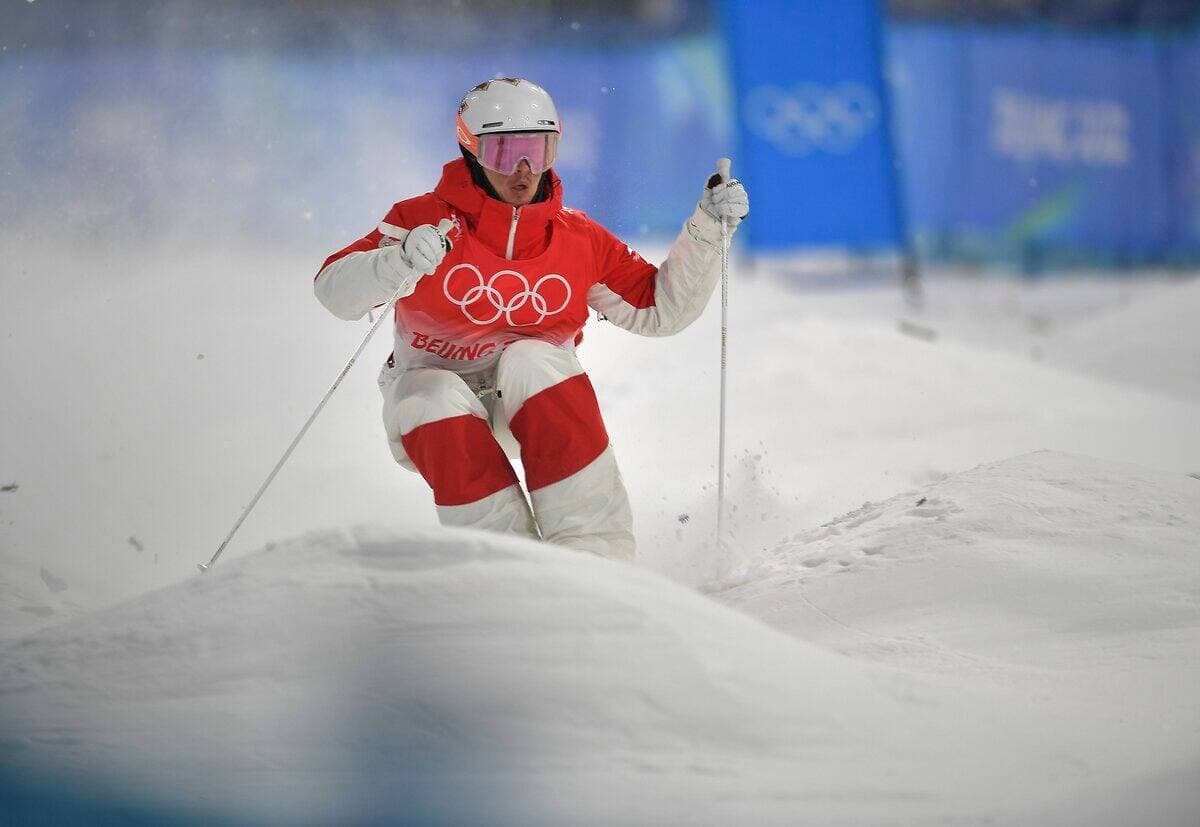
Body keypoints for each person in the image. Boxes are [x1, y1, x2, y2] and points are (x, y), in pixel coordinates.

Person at [314, 78, 748, 561]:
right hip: (440, 417)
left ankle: (598, 555)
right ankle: (504, 564)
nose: (522, 170)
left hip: (533, 404)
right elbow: (333, 291)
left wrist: (707, 233)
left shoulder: (577, 239)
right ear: (472, 152)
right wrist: (393, 263)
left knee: (532, 357)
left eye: (538, 152)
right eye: (503, 154)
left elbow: (660, 310)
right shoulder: (421, 219)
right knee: (427, 392)